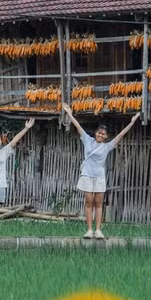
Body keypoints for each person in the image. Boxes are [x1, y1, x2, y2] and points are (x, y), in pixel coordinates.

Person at [61, 103, 140, 240]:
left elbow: (121, 135)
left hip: (99, 177)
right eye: (98, 132)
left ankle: (98, 230)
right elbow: (78, 127)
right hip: (87, 175)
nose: (100, 135)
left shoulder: (107, 146)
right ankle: (89, 230)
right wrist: (69, 113)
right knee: (88, 202)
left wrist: (132, 122)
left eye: (103, 134)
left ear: (106, 137)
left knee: (98, 203)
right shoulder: (87, 140)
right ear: (95, 133)